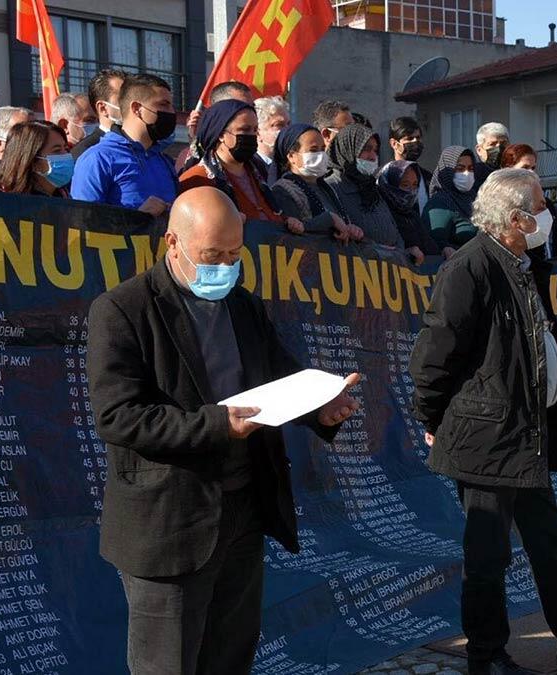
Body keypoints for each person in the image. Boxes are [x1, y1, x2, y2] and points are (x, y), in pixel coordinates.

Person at [87, 186, 360, 674]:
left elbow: (280, 379)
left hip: (242, 512)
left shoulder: (244, 305)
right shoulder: (122, 310)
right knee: (166, 664)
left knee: (231, 656)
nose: (226, 267)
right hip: (169, 521)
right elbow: (118, 416)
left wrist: (321, 407)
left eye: (236, 254)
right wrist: (217, 425)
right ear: (172, 242)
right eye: (213, 255)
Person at [410, 168, 557, 675]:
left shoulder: (526, 261)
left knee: (549, 542)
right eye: (538, 206)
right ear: (515, 219)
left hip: (527, 432)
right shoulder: (470, 269)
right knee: (488, 554)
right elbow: (433, 354)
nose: (547, 213)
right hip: (486, 437)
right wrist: (430, 415)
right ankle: (487, 655)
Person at [178, 99, 301, 229]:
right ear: (221, 134)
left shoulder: (259, 173)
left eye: (254, 130)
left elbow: (269, 213)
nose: (252, 136)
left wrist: (287, 221)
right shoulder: (198, 179)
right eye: (244, 130)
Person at [71, 74, 177, 215]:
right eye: (163, 104)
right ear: (136, 108)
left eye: (171, 105)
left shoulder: (164, 161)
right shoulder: (97, 159)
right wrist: (138, 218)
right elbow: (83, 224)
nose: (171, 112)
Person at [270, 123, 362, 241]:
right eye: (313, 150)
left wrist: (350, 229)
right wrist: (329, 219)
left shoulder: (327, 189)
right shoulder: (283, 190)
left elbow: (339, 223)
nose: (321, 155)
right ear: (292, 156)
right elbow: (292, 231)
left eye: (323, 149)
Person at [324, 124, 403, 247]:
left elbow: (394, 231)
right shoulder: (330, 188)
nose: (373, 157)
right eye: (366, 149)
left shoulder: (373, 189)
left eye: (375, 150)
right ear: (348, 149)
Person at [0, 120, 72, 197]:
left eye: (65, 148)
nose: (66, 155)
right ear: (32, 158)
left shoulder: (65, 193)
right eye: (57, 150)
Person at [179, 81, 254, 170]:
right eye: (239, 106)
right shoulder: (200, 170)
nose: (250, 112)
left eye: (252, 106)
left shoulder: (257, 168)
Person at [377, 160, 437, 264]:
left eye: (415, 185)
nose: (411, 191)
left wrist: (445, 249)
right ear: (390, 184)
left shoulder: (412, 216)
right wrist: (405, 253)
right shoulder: (380, 214)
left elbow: (432, 250)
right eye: (405, 185)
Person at [423, 145, 478, 256]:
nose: (467, 174)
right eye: (460, 169)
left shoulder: (474, 197)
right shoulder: (440, 202)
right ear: (449, 170)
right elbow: (435, 242)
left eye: (470, 169)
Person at [72, 68, 127, 161]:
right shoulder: (85, 151)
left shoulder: (145, 145)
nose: (132, 105)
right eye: (124, 98)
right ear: (103, 108)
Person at [388, 116, 431, 214]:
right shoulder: (384, 176)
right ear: (394, 143)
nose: (415, 142)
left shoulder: (428, 178)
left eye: (418, 138)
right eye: (409, 138)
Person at [254, 96, 291, 186]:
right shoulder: (251, 168)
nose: (287, 130)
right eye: (279, 125)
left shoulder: (292, 165)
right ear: (258, 132)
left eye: (288, 124)